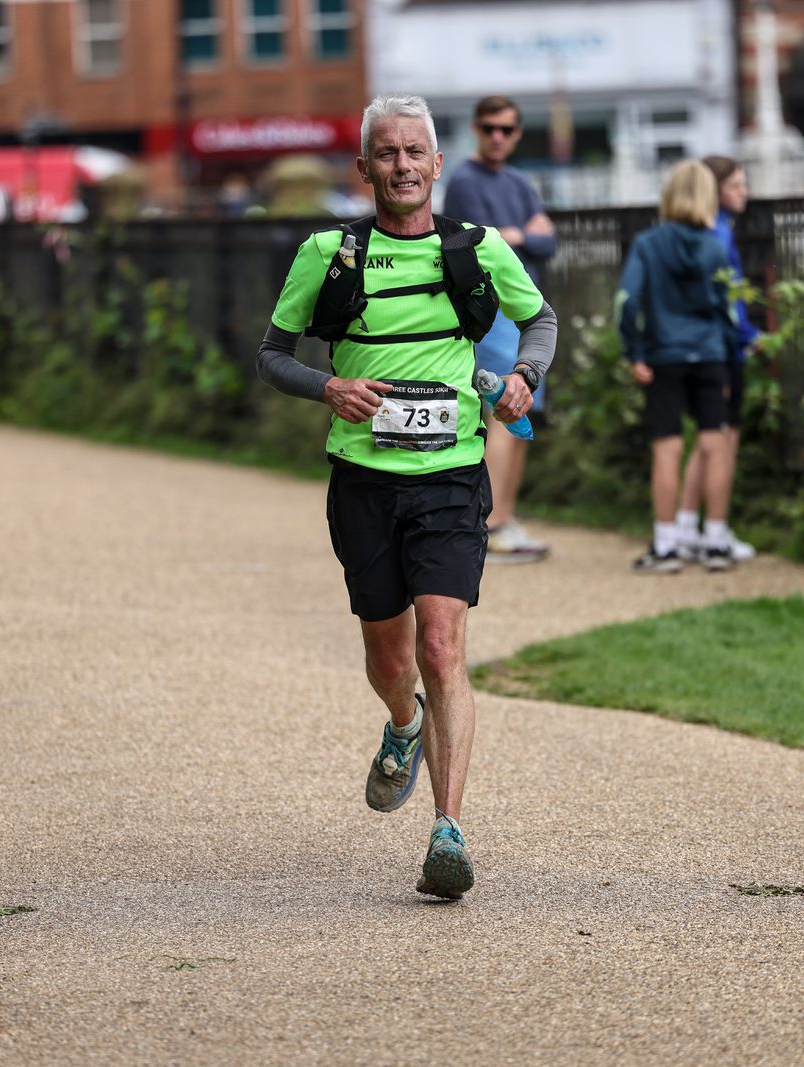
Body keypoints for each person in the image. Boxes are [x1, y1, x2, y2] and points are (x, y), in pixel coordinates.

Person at [257, 94, 557, 899]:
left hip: (454, 478)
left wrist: (525, 378)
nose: (401, 166)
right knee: (390, 659)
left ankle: (448, 830)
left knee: (441, 645)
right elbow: (271, 355)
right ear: (364, 168)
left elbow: (542, 321)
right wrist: (329, 386)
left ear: (436, 164)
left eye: (414, 152)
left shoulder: (478, 247)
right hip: (364, 482)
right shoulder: (330, 253)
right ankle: (403, 722)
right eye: (385, 153)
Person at [442, 95, 558, 564]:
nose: (497, 136)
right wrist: (520, 233)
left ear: (517, 133)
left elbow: (548, 242)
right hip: (492, 314)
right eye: (489, 127)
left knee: (520, 412)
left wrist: (516, 234)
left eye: (506, 129)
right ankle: (489, 525)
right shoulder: (465, 181)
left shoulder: (518, 181)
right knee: (503, 411)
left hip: (525, 311)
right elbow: (475, 243)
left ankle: (504, 519)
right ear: (476, 128)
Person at [617, 160, 738, 573]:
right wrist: (728, 353)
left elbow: (627, 302)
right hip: (709, 356)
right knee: (714, 443)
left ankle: (666, 546)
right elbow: (727, 307)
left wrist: (634, 351)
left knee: (668, 448)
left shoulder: (648, 244)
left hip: (663, 356)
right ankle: (716, 540)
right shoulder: (715, 246)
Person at [674, 156, 760, 562]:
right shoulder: (718, 235)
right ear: (716, 189)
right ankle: (716, 534)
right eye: (736, 186)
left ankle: (687, 526)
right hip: (723, 348)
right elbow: (727, 299)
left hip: (696, 348)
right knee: (723, 440)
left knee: (707, 440)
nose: (744, 192)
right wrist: (747, 336)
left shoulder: (690, 233)